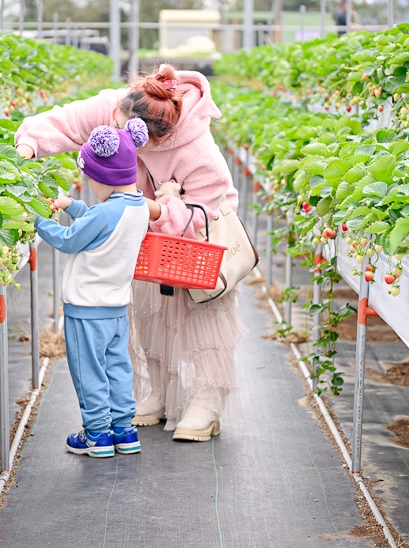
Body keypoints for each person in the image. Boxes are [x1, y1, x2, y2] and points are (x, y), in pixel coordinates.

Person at [15, 64, 242, 443]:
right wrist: (27, 148)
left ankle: (206, 401)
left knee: (200, 314)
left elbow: (204, 212)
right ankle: (156, 393)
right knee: (150, 311)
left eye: (128, 135)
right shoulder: (116, 106)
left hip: (197, 239)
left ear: (155, 138)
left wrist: (155, 208)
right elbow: (63, 122)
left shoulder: (197, 149)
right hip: (141, 233)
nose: (119, 138)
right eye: (117, 125)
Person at [34, 120, 152, 458]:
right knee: (117, 368)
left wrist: (38, 220)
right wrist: (70, 205)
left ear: (104, 178)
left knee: (89, 373)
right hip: (116, 309)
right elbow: (100, 221)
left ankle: (96, 434)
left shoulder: (106, 213)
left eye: (90, 179)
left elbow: (70, 239)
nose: (90, 185)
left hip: (86, 311)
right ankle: (124, 431)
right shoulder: (137, 208)